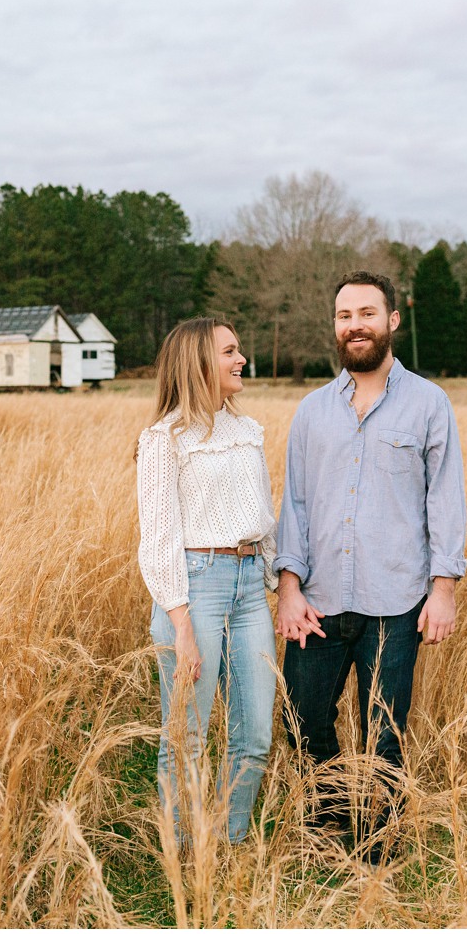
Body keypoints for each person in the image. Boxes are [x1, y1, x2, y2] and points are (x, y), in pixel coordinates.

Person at [274, 270, 467, 837]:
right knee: (303, 718)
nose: (355, 325)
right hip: (318, 601)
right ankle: (331, 816)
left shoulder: (430, 404)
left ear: (392, 321)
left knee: (384, 730)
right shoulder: (311, 411)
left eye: (366, 314)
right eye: (344, 316)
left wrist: (444, 589)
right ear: (335, 326)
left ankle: (377, 841)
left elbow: (445, 500)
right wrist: (287, 587)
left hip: (397, 600)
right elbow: (297, 504)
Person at [136, 317, 278, 844]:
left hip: (248, 588)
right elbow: (159, 537)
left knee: (256, 734)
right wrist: (181, 625)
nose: (241, 360)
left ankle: (228, 840)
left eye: (238, 351)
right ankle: (184, 859)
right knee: (186, 738)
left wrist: (277, 583)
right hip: (193, 589)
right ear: (197, 362)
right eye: (229, 352)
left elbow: (263, 517)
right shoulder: (164, 439)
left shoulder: (248, 432)